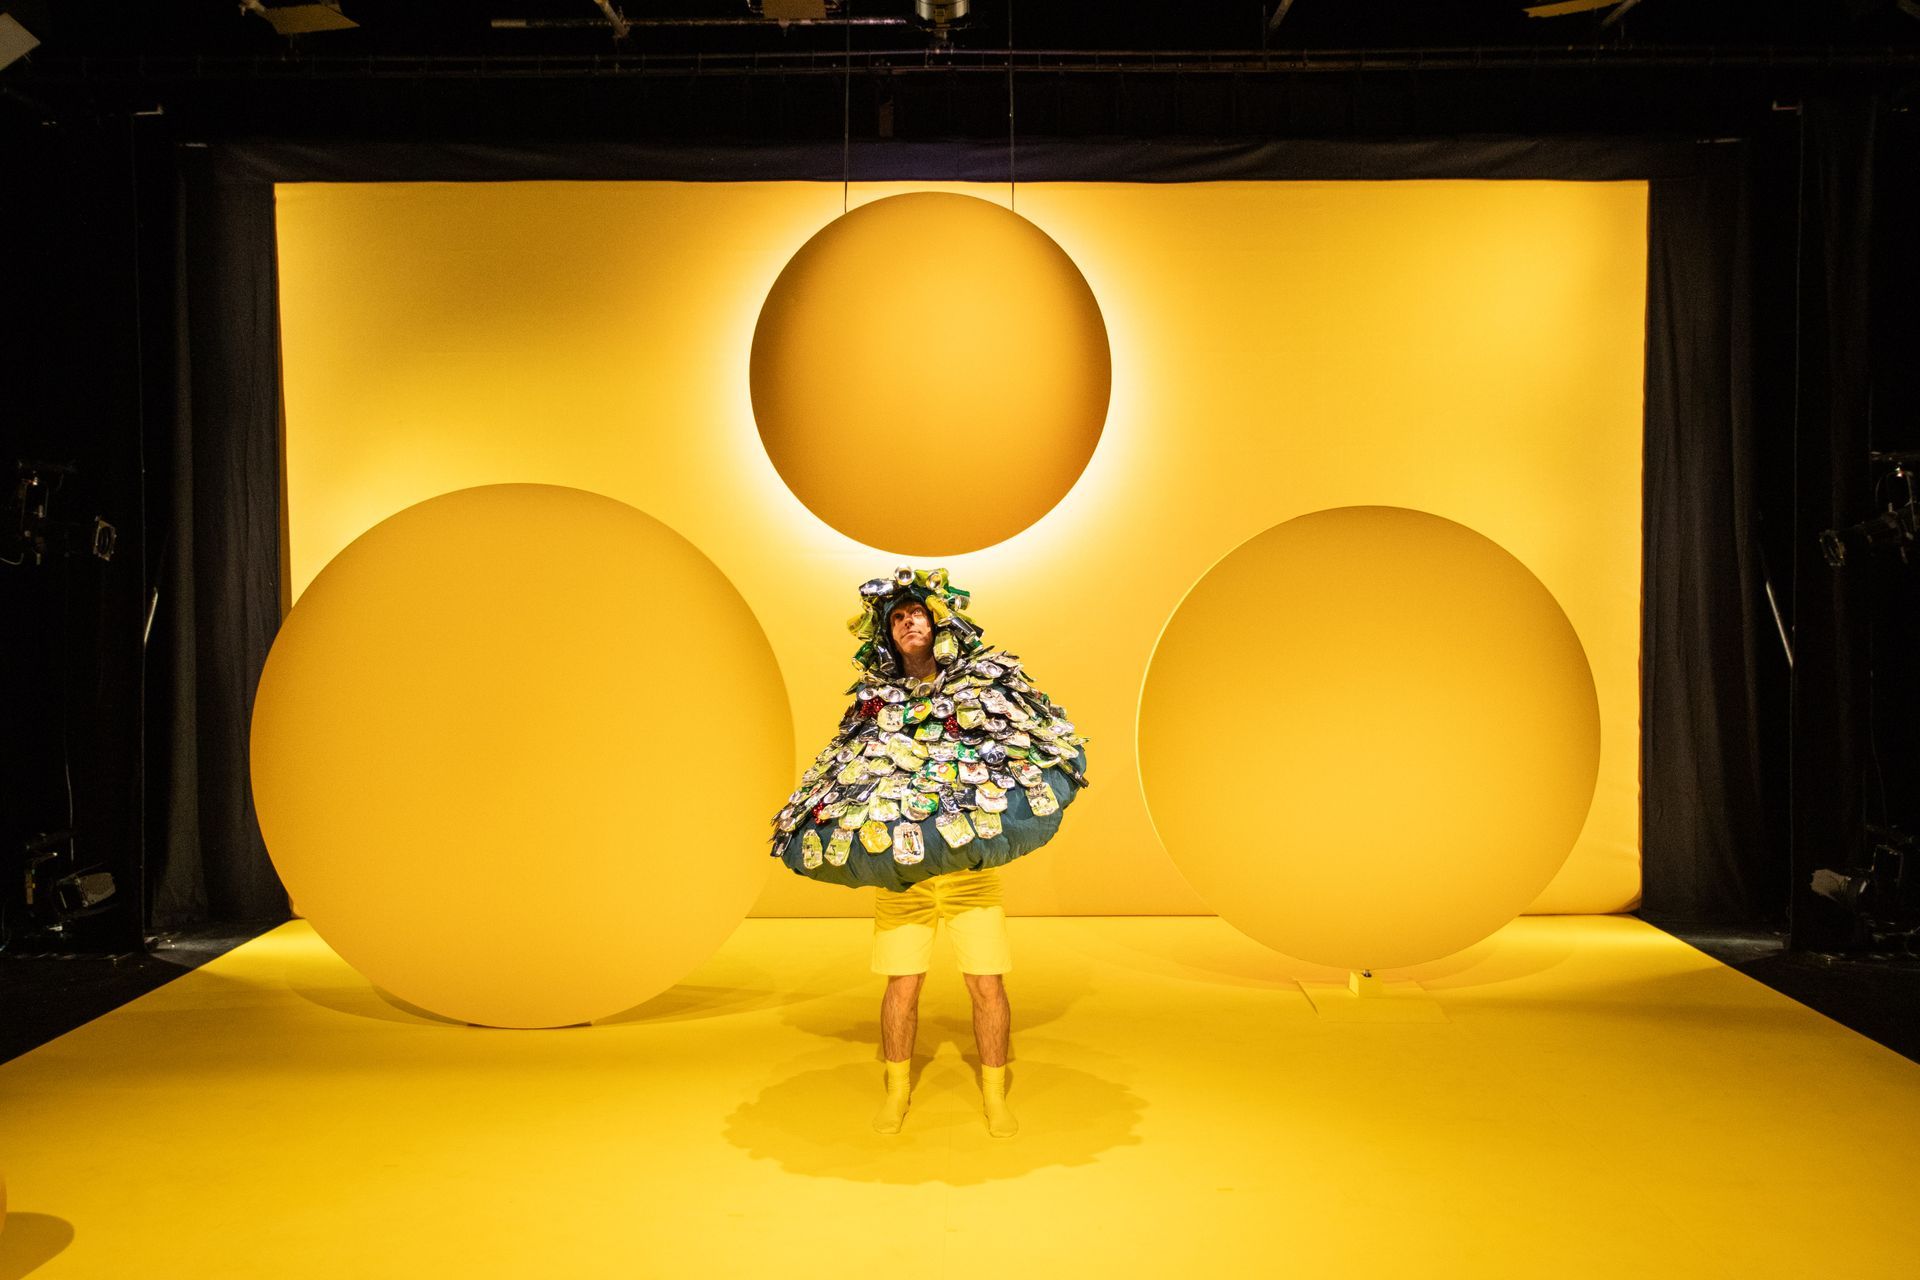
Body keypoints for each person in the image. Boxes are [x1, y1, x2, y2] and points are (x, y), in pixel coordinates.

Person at [767, 567, 1090, 1137]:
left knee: (987, 983)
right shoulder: (875, 702)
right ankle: (897, 1092)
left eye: (916, 612)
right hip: (905, 877)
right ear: (886, 634)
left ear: (937, 620)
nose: (907, 622)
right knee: (902, 985)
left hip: (970, 874)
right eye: (896, 618)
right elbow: (843, 769)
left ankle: (994, 1095)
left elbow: (1030, 737)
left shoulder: (980, 684)